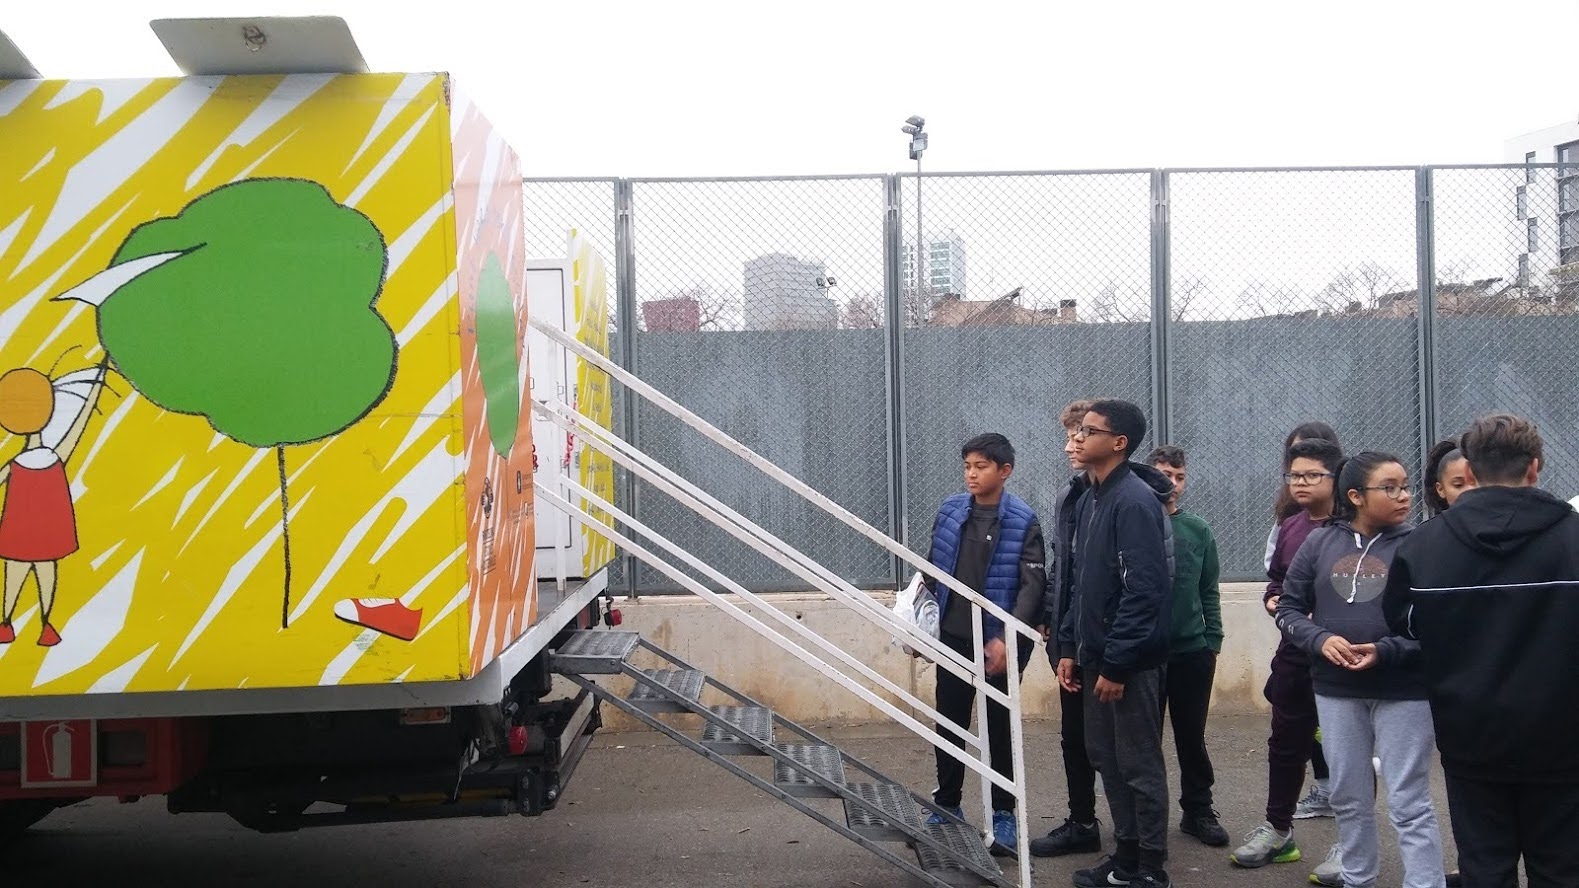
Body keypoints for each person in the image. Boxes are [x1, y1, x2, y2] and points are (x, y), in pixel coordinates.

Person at [1384, 414, 1579, 888]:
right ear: (1534, 467)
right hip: (1563, 740)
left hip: (1470, 739)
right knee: (1562, 870)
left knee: (1484, 870)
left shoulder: (1425, 546)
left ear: (1469, 471)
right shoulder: (1573, 537)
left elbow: (1406, 623)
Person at [1277, 452, 1444, 888]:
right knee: (1348, 796)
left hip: (1405, 690)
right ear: (1355, 496)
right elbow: (1289, 609)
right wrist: (1320, 640)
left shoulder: (1421, 545)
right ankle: (1357, 878)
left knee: (1409, 802)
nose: (1404, 495)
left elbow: (1439, 626)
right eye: (1390, 488)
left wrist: (1387, 651)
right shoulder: (1319, 543)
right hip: (1336, 689)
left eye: (1405, 486)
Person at [1056, 400, 1176, 888]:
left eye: (1090, 431)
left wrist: (1117, 665)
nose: (1078, 438)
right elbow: (1082, 583)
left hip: (1129, 664)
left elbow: (1143, 592)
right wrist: (1069, 646)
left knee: (1138, 764)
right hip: (1095, 657)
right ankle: (1125, 858)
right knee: (1106, 758)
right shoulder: (1091, 498)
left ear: (1119, 443)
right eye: (1079, 430)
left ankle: (1150, 868)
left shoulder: (1134, 501)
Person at [923, 432, 1046, 858]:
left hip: (997, 646)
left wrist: (1007, 639)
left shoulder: (1023, 520)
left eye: (981, 467)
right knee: (950, 722)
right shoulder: (951, 510)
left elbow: (1032, 587)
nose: (971, 475)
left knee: (998, 729)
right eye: (967, 467)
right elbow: (932, 567)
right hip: (953, 637)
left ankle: (1003, 815)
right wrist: (919, 623)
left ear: (1004, 471)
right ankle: (947, 805)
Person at [1232, 437, 1343, 871]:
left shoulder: (1352, 529)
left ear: (1336, 477)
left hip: (1342, 658)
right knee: (1284, 745)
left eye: (1312, 475)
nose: (1301, 483)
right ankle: (1278, 832)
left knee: (1345, 751)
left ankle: (1352, 845)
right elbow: (1277, 581)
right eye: (1294, 475)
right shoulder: (1292, 526)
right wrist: (1274, 600)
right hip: (1295, 655)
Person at [1030, 399, 1104, 860]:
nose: (1070, 445)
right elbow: (1064, 565)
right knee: (1074, 737)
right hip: (1069, 639)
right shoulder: (1069, 495)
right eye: (1069, 435)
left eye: (1079, 434)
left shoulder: (1126, 496)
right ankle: (1083, 822)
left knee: (1117, 745)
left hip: (1109, 645)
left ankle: (1138, 841)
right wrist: (1051, 620)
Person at [1146, 445, 1228, 848]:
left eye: (1179, 477)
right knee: (1144, 741)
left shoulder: (1197, 530)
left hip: (1192, 653)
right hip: (1144, 655)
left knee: (1191, 737)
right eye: (1165, 475)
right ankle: (1146, 817)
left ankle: (1198, 810)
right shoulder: (1134, 525)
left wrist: (1212, 641)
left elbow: (1208, 589)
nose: (1173, 484)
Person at [1422, 438, 1473, 517]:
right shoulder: (1435, 524)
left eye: (1475, 482)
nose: (1469, 489)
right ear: (1440, 489)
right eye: (1458, 485)